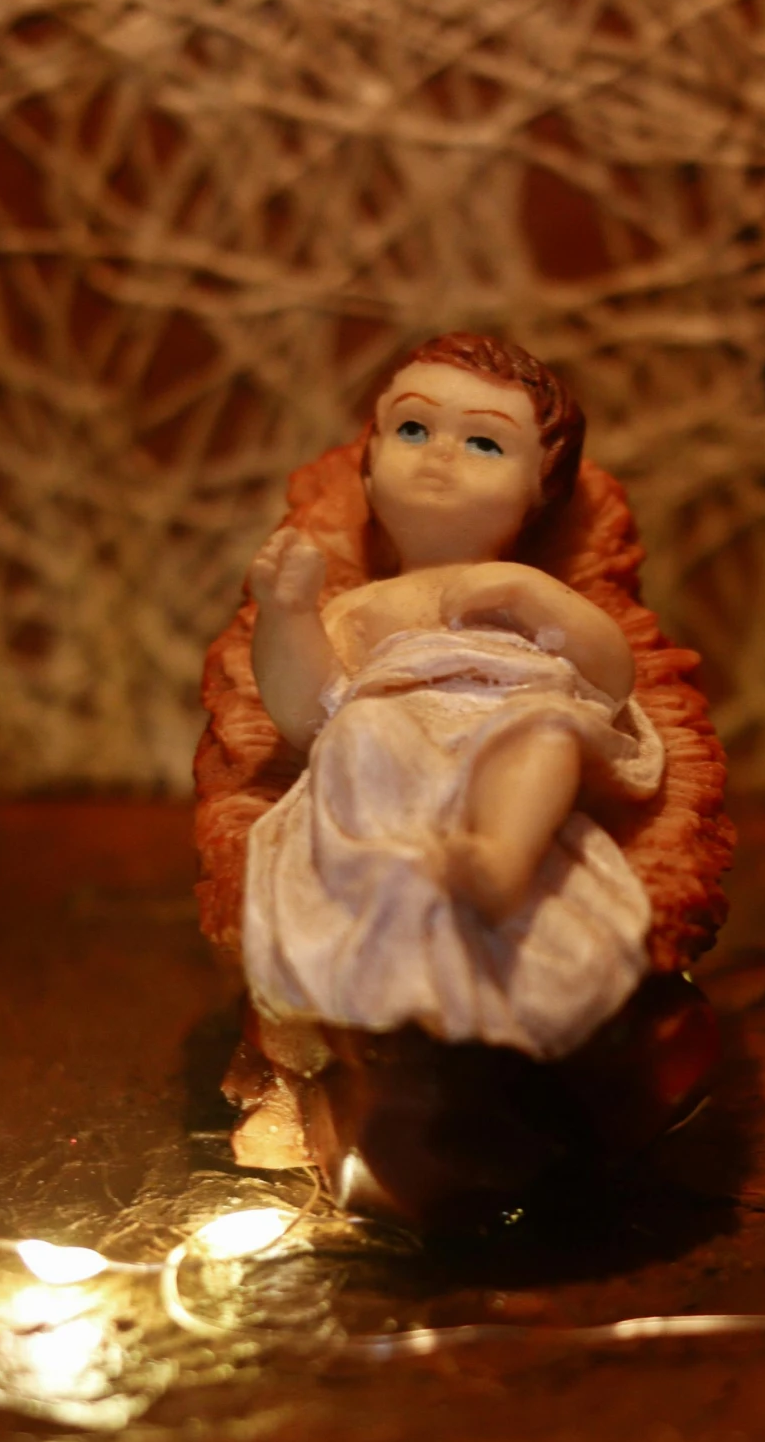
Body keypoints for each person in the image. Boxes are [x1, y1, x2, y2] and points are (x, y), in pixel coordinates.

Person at [240, 334, 666, 1061]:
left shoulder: (534, 591)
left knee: (545, 730)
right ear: (368, 470)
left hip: (506, 726)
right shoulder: (363, 606)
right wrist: (287, 615)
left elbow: (609, 678)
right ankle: (386, 877)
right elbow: (312, 711)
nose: (441, 453)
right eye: (413, 428)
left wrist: (530, 594)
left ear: (541, 490)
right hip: (395, 745)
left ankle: (501, 859)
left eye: (484, 443)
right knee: (359, 732)